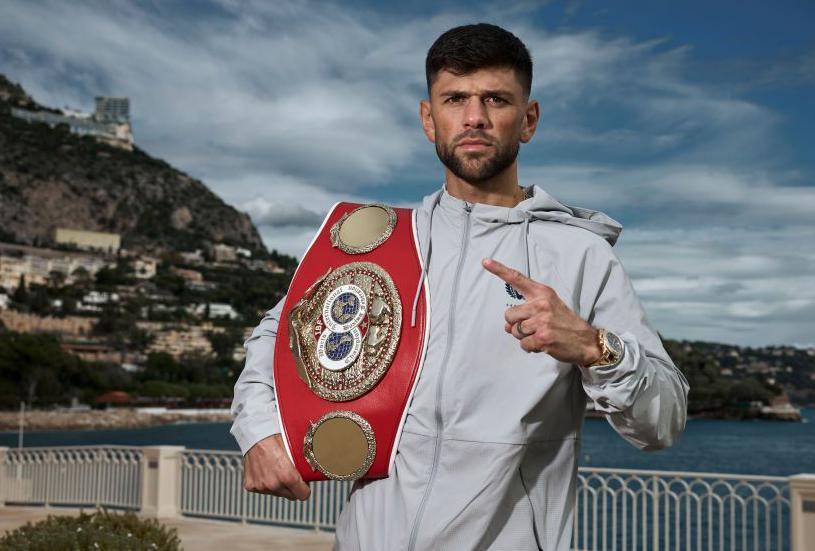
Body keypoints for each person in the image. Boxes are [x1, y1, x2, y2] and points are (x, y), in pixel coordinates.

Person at [231, 23, 689, 550]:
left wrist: (594, 347)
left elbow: (663, 423)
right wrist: (259, 432)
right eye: (455, 99)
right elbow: (274, 338)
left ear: (528, 120)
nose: (474, 117)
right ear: (429, 118)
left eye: (496, 99)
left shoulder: (580, 255)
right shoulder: (380, 242)